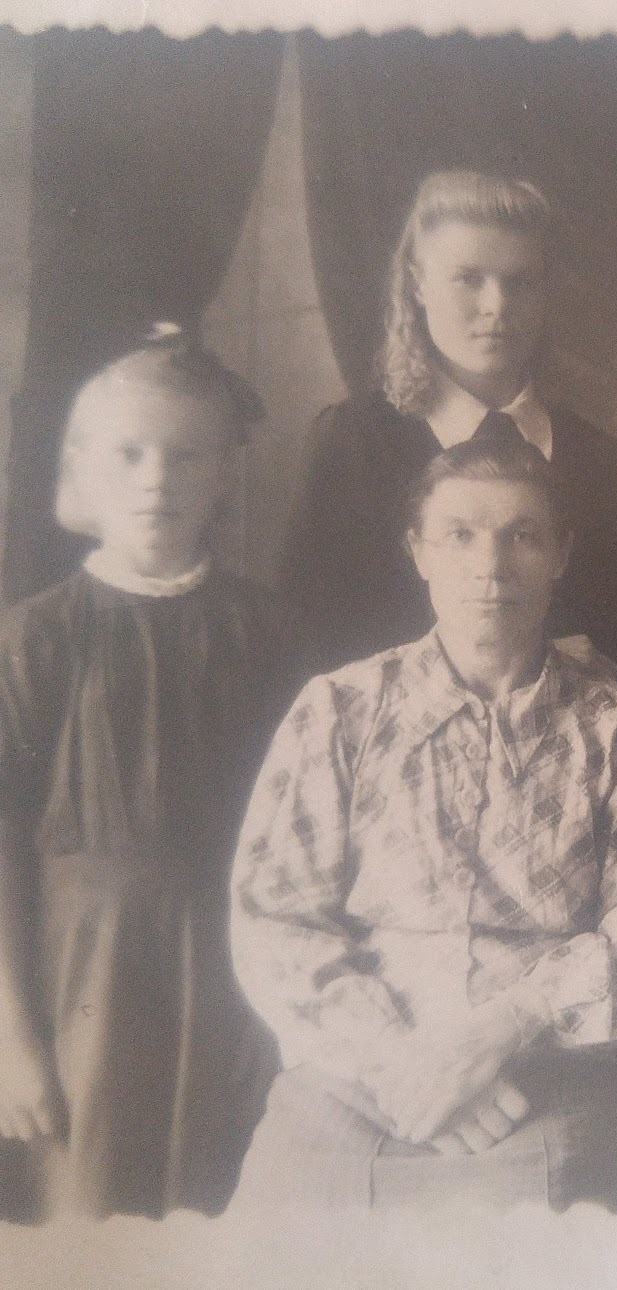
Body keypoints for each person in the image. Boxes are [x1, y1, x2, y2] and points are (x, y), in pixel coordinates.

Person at [228, 436, 617, 1212]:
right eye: (460, 535)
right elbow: (277, 918)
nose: (491, 566)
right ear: (419, 552)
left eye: (523, 536)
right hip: (355, 1072)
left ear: (562, 555)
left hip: (545, 1077)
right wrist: (401, 1062)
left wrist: (494, 1036)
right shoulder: (339, 711)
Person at [0, 326, 287, 1219]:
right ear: (81, 470)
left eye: (185, 455)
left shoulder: (264, 631)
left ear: (223, 475)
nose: (156, 478)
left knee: (217, 1213)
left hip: (233, 973)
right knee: (87, 1212)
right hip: (78, 979)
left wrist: (283, 1014)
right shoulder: (35, 637)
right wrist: (11, 1038)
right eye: (129, 454)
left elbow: (301, 833)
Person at [280, 170, 617, 679]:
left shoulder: (600, 463)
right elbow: (308, 641)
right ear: (418, 284)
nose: (496, 306)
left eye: (520, 282)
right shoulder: (352, 444)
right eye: (468, 278)